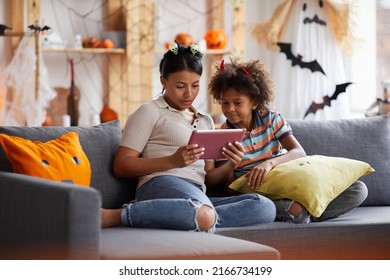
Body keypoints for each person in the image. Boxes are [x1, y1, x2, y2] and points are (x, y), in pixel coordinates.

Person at [101, 43, 276, 232]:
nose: (189, 94)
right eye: (180, 86)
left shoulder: (205, 120)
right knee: (203, 210)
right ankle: (117, 215)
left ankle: (194, 217)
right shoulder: (150, 111)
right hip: (159, 184)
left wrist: (230, 165)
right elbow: (121, 166)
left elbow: (208, 179)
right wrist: (172, 161)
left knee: (264, 206)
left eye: (195, 85)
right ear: (163, 81)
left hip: (198, 193)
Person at [208, 58, 368, 223]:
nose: (229, 109)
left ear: (254, 103)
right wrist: (231, 166)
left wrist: (269, 164)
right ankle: (298, 211)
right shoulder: (222, 136)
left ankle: (302, 212)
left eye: (237, 103)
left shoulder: (271, 119)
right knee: (281, 207)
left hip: (289, 181)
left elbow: (299, 152)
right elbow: (231, 190)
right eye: (224, 103)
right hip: (261, 194)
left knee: (358, 189)